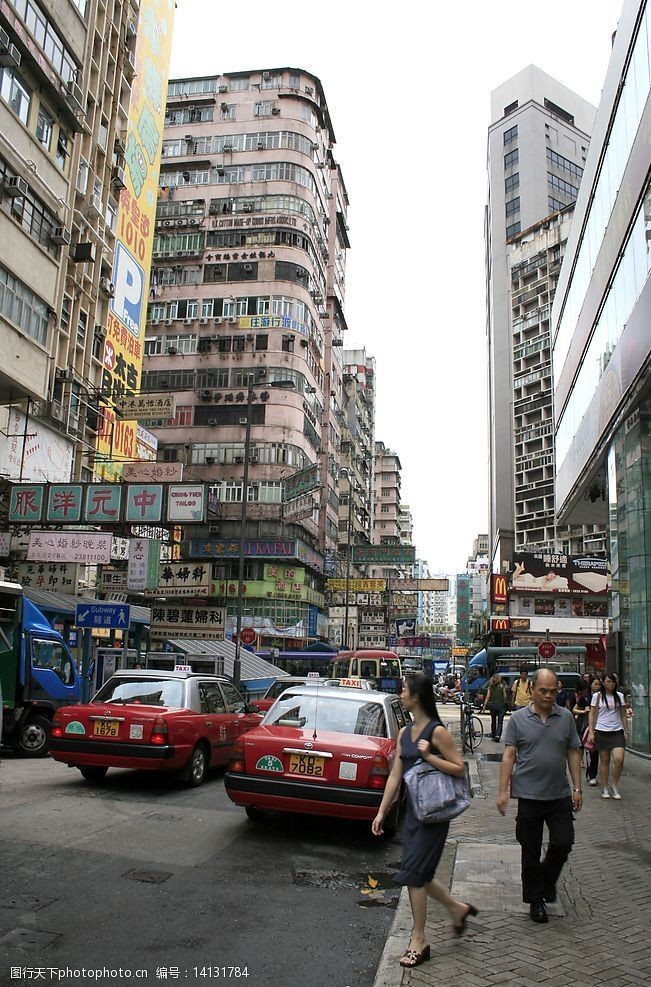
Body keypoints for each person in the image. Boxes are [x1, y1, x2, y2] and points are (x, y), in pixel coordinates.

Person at [372, 673, 478, 968]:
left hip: (434, 815)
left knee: (414, 874)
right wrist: (382, 811)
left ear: (416, 696)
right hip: (412, 815)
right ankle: (457, 909)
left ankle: (419, 939)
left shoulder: (437, 733)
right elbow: (396, 775)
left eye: (405, 689)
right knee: (419, 875)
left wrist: (430, 757)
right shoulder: (404, 733)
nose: (400, 693)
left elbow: (458, 768)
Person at [497, 667, 583, 924]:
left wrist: (577, 789)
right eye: (543, 691)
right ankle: (536, 901)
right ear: (532, 690)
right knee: (530, 850)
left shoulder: (566, 717)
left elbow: (573, 752)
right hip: (529, 796)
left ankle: (546, 880)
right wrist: (502, 791)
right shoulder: (518, 719)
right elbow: (509, 755)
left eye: (552, 691)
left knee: (563, 842)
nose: (548, 696)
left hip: (559, 795)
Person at [587, 673, 628, 800]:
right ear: (603, 683)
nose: (611, 684)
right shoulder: (597, 696)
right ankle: (605, 787)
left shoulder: (619, 696)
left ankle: (614, 784)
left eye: (613, 681)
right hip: (601, 731)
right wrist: (591, 731)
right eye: (609, 681)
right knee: (604, 761)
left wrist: (626, 731)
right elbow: (592, 714)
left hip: (617, 731)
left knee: (619, 759)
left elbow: (623, 714)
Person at [482, 673, 507, 742]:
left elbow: (487, 696)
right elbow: (505, 696)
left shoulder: (490, 687)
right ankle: (498, 735)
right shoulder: (502, 686)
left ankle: (493, 734)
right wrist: (505, 702)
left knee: (493, 720)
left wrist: (484, 705)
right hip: (501, 705)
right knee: (500, 721)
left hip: (493, 705)